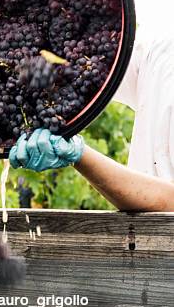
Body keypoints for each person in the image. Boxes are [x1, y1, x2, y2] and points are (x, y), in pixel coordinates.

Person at [9, 39, 174, 212]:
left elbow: (169, 202)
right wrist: (59, 69)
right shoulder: (161, 49)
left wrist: (79, 155)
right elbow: (101, 72)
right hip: (135, 232)